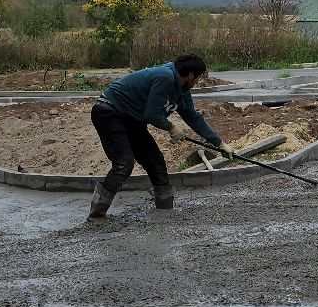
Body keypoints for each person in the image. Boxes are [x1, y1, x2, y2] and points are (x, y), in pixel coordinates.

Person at [88, 54, 230, 218]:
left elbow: (193, 117)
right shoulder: (165, 77)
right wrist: (171, 127)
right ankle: (96, 215)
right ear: (191, 75)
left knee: (156, 162)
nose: (197, 82)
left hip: (132, 118)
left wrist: (219, 143)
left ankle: (165, 212)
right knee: (124, 164)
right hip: (109, 111)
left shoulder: (182, 89)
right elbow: (152, 114)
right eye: (198, 78)